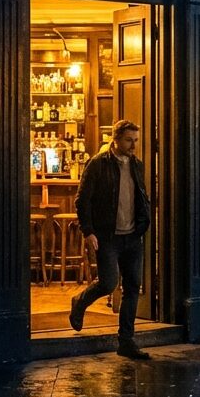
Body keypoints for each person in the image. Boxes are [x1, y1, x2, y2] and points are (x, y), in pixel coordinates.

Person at [69, 119, 152, 359]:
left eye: (135, 140)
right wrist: (88, 230)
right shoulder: (98, 164)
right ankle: (80, 301)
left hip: (133, 236)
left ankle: (126, 341)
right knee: (108, 283)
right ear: (115, 139)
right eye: (128, 140)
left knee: (132, 287)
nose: (133, 145)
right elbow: (82, 199)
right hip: (107, 236)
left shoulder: (137, 165)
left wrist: (143, 223)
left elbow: (141, 196)